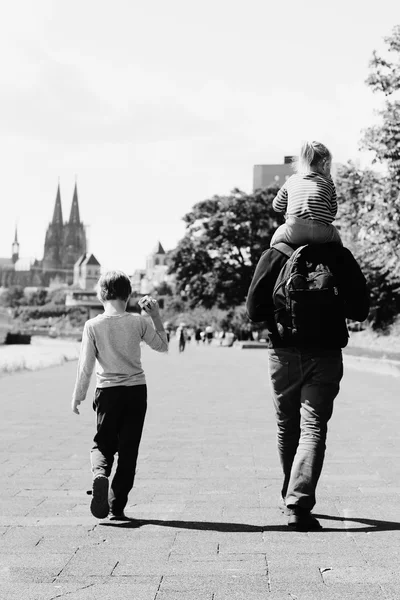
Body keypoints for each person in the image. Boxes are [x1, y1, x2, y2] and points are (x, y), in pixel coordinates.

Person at [246, 243, 369, 530]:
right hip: (325, 354)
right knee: (313, 426)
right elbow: (360, 310)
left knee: (287, 425)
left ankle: (291, 495)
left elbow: (253, 310)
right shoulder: (339, 256)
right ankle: (298, 502)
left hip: (283, 353)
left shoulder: (275, 254)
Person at [71, 271, 168, 520]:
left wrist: (78, 395)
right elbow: (162, 346)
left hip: (107, 392)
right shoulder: (138, 322)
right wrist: (155, 316)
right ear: (129, 295)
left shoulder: (92, 325)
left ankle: (100, 474)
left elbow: (86, 366)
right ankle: (117, 506)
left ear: (101, 294)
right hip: (136, 391)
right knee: (129, 450)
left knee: (103, 444)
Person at [270, 141, 342, 247]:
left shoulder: (292, 180)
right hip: (321, 232)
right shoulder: (329, 183)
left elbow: (277, 206)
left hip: (294, 230)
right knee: (338, 240)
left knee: (275, 240)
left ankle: (271, 261)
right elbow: (333, 212)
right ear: (325, 164)